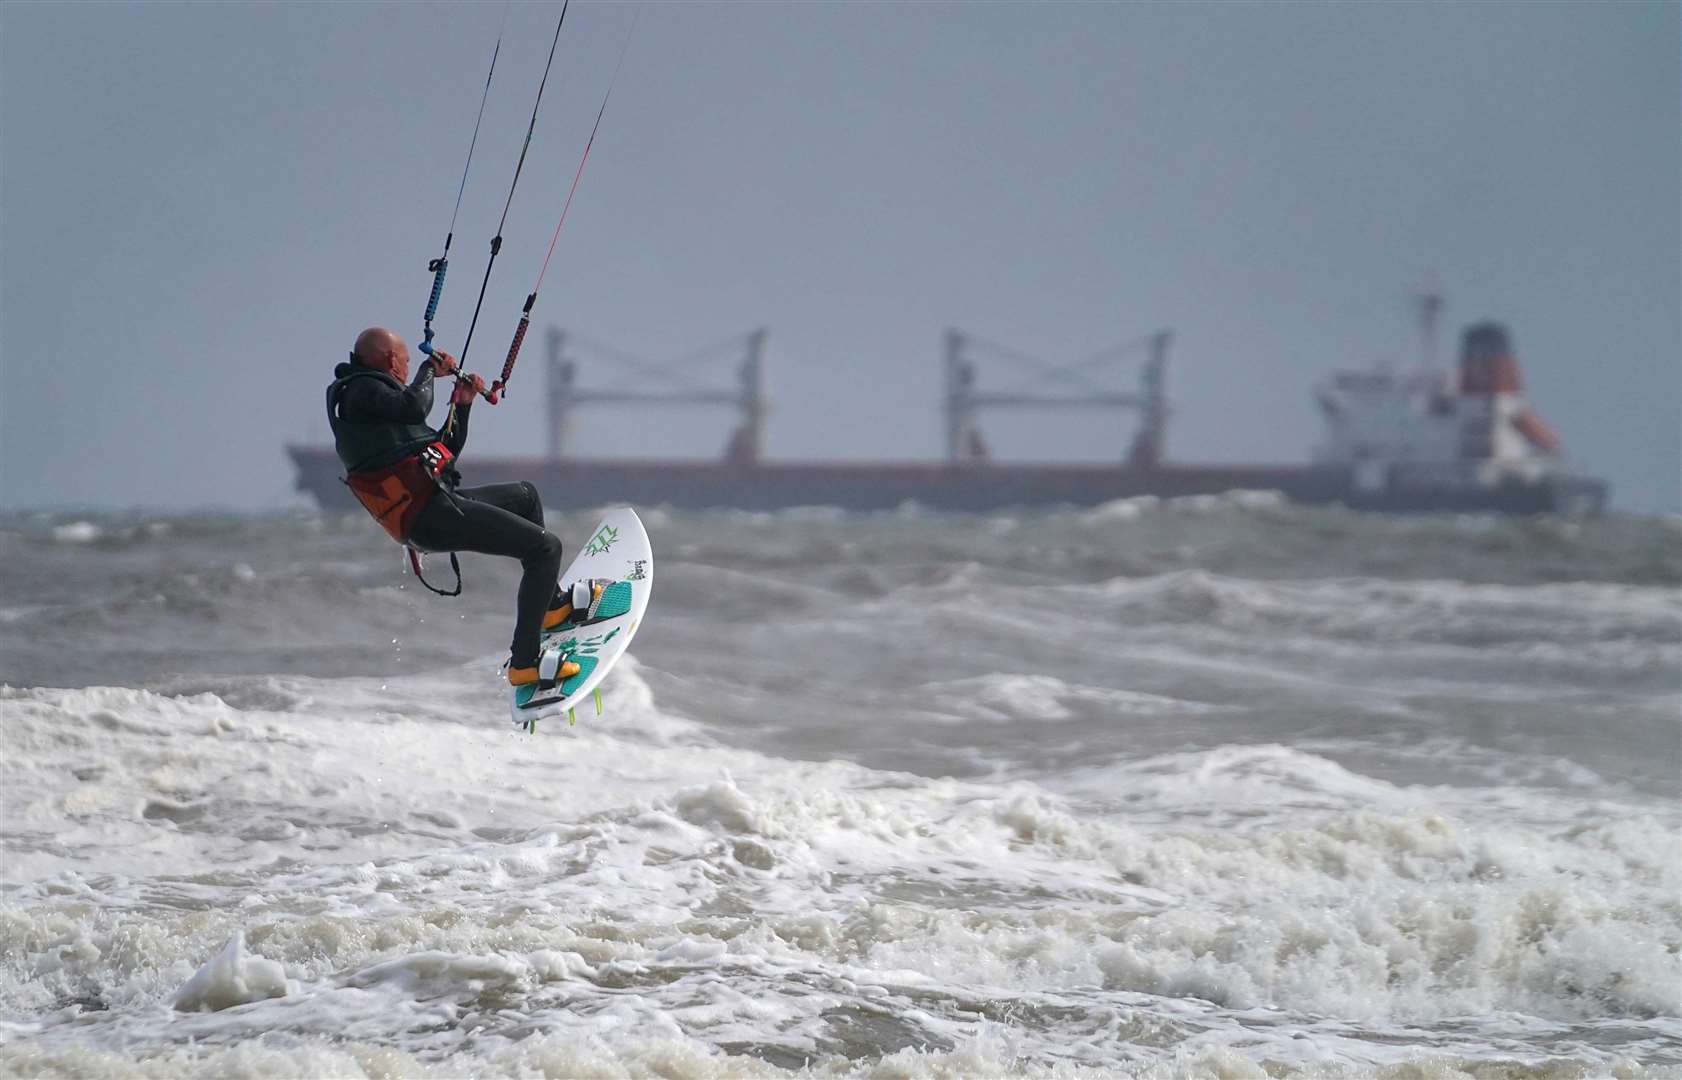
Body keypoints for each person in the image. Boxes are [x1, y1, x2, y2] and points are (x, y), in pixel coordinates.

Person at [326, 326, 595, 687]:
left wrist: (462, 404)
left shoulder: (378, 404)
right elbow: (414, 404)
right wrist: (429, 370)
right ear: (392, 360)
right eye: (406, 361)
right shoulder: (360, 392)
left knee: (525, 496)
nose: (408, 368)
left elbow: (444, 451)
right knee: (546, 548)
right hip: (425, 517)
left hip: (437, 502)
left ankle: (550, 606)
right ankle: (525, 662)